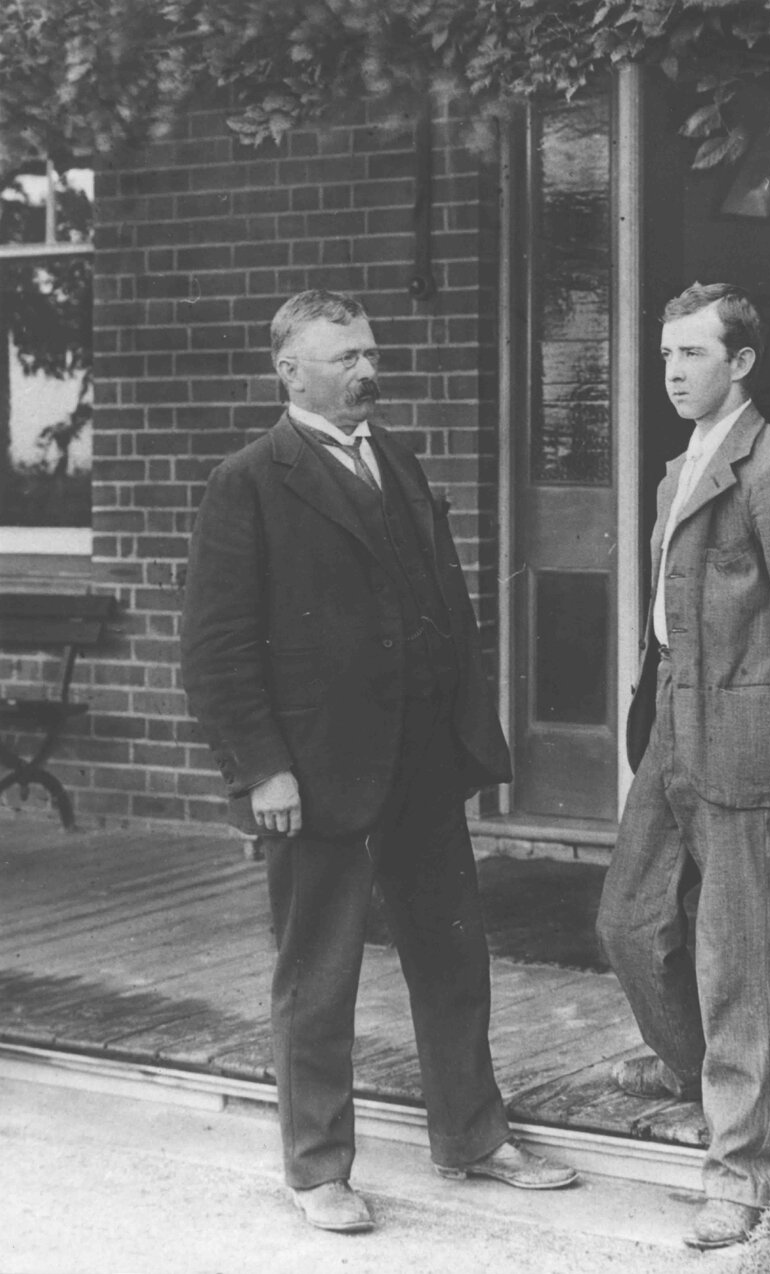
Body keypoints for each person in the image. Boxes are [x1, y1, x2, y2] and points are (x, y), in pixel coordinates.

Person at [180, 289, 576, 1235]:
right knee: (317, 973)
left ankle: (472, 1137)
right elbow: (215, 648)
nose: (367, 370)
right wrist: (262, 768)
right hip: (314, 776)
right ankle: (317, 1168)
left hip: (420, 764)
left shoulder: (394, 457)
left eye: (370, 352)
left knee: (451, 953)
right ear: (289, 371)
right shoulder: (250, 480)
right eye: (344, 357)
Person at [596, 283, 770, 1250]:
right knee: (628, 919)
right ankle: (693, 1067)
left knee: (737, 957)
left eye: (694, 354)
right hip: (673, 717)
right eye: (666, 354)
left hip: (748, 735)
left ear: (742, 363)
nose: (673, 371)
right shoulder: (681, 471)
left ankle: (742, 1169)